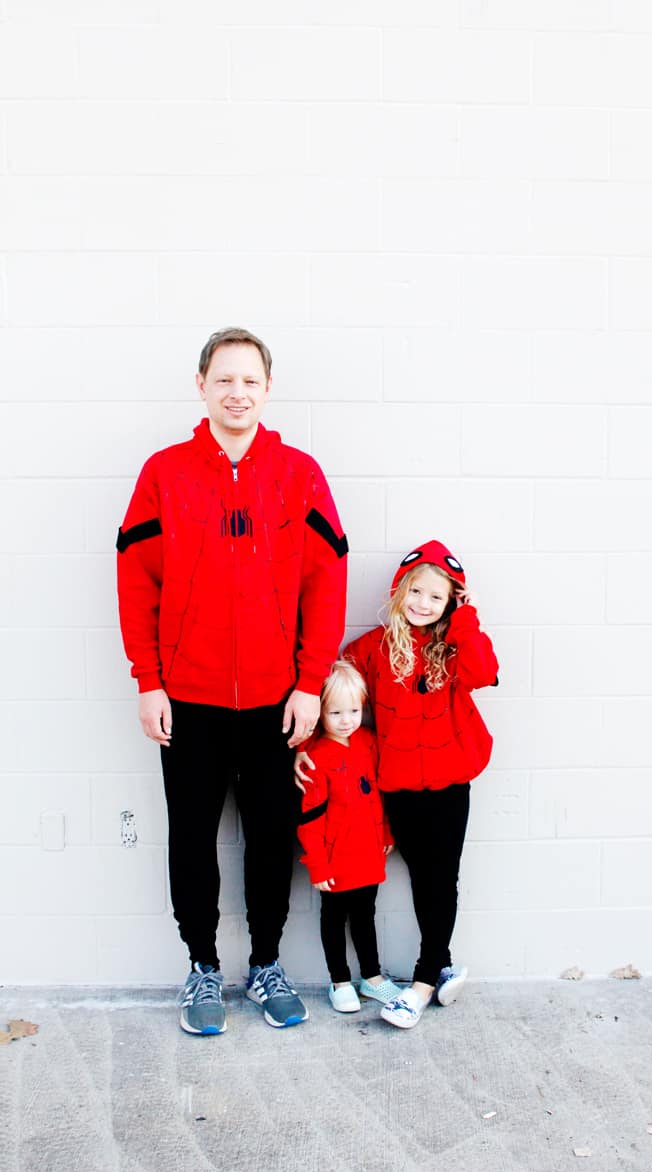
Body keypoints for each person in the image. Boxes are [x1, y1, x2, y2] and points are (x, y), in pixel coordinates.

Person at [116, 327, 348, 1036]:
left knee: (273, 838)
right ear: (202, 385)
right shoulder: (165, 473)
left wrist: (310, 683)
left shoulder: (300, 473)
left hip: (280, 702)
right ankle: (201, 970)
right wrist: (148, 681)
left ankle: (269, 966)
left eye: (250, 380)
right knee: (191, 836)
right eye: (225, 379)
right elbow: (135, 580)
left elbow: (326, 581)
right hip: (189, 699)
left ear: (267, 389)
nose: (237, 392)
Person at [298, 540, 498, 1029]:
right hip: (399, 787)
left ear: (452, 600)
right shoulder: (372, 648)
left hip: (450, 783)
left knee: (440, 877)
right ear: (400, 590)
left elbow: (484, 672)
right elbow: (334, 694)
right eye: (416, 591)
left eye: (437, 596)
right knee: (420, 878)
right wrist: (305, 746)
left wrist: (465, 619)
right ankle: (442, 961)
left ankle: (424, 980)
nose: (423, 604)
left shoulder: (454, 644)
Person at [296, 660, 403, 1013]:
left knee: (365, 916)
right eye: (336, 712)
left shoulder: (368, 743)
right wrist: (317, 864)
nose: (347, 720)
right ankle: (339, 981)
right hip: (334, 859)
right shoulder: (314, 758)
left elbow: (381, 795)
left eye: (354, 710)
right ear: (320, 712)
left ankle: (371, 978)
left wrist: (386, 832)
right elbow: (309, 818)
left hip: (368, 853)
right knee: (333, 918)